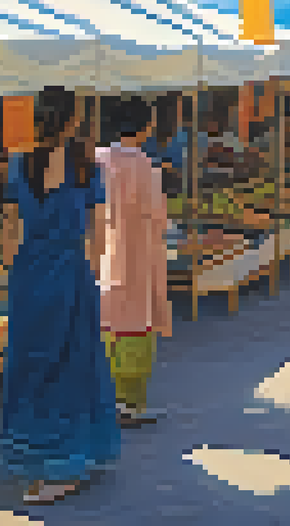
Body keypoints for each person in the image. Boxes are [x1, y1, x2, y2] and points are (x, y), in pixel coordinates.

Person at [0, 86, 119, 505]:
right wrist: (93, 275)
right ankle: (66, 462)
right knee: (71, 365)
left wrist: (16, 273)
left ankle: (36, 455)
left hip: (28, 274)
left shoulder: (18, 163)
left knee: (31, 365)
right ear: (74, 120)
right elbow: (98, 232)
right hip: (70, 273)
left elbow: (9, 234)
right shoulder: (85, 165)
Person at [94, 97, 171, 428]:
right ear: (145, 127)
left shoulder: (96, 160)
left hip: (99, 253)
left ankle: (100, 399)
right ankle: (129, 403)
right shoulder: (145, 167)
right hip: (137, 255)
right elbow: (158, 216)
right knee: (135, 328)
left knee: (103, 325)